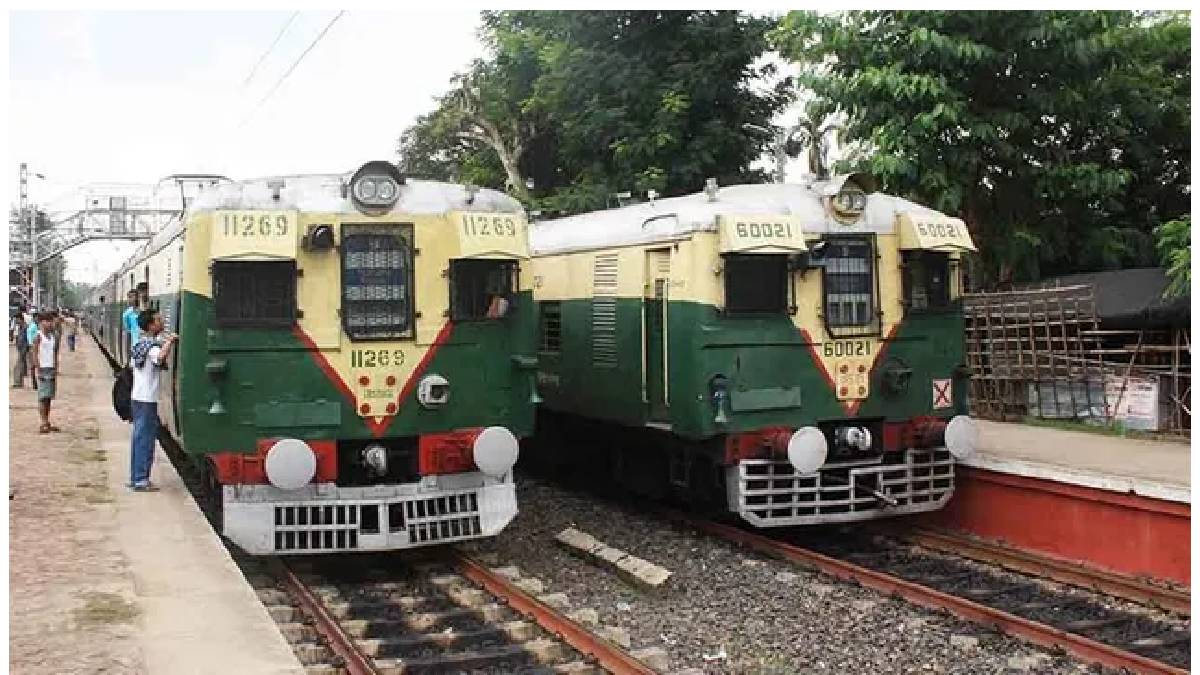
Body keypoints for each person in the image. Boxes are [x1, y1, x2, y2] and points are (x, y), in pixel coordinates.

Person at [128, 309, 177, 491]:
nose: (162, 321)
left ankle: (136, 476)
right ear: (150, 325)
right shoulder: (152, 346)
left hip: (137, 396)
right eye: (158, 320)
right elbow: (160, 357)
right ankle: (141, 480)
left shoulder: (140, 344)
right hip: (147, 399)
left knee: (138, 438)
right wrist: (170, 341)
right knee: (145, 439)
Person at [30, 312, 59, 434]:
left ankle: (47, 421)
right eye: (48, 321)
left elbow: (54, 353)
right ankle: (43, 422)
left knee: (48, 397)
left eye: (51, 321)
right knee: (42, 397)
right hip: (43, 369)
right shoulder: (38, 336)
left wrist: (56, 366)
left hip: (51, 368)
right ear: (42, 322)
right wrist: (38, 368)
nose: (51, 323)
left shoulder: (52, 336)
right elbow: (34, 353)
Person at [11, 310, 28, 388]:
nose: (16, 321)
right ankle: (19, 382)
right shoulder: (21, 327)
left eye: (17, 319)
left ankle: (18, 383)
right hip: (20, 348)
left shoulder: (25, 327)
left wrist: (24, 349)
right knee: (20, 366)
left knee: (18, 367)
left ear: (20, 319)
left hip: (23, 349)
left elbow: (26, 339)